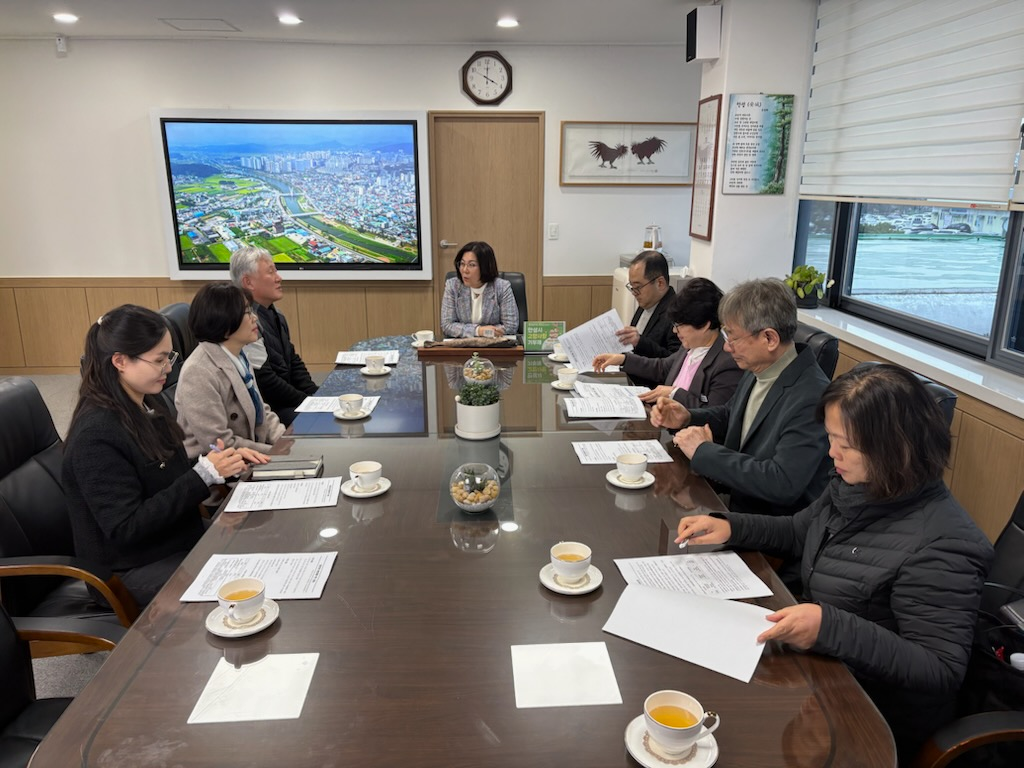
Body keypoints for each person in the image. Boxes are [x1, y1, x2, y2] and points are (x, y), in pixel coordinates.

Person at [674, 364, 995, 762]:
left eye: (845, 444)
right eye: (830, 438)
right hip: (819, 669)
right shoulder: (858, 484)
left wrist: (830, 627)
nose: (831, 453)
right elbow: (800, 530)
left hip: (869, 710)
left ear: (896, 447)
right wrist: (729, 526)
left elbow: (939, 668)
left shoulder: (945, 543)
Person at [62, 305, 256, 607]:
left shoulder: (147, 402)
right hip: (128, 570)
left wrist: (220, 463)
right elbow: (126, 528)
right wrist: (202, 475)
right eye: (159, 359)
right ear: (120, 361)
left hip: (172, 539)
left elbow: (166, 472)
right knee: (238, 588)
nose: (169, 368)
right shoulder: (95, 435)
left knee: (254, 549)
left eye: (170, 357)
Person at [651, 278, 831, 517]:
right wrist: (687, 417)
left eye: (732, 338)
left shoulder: (812, 396)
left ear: (769, 339)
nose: (727, 348)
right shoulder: (760, 367)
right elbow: (731, 414)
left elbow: (782, 482)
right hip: (734, 502)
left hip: (770, 527)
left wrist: (704, 451)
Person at [592, 277, 741, 409]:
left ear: (705, 325)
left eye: (680, 325)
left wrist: (674, 393)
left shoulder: (726, 362)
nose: (676, 331)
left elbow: (714, 414)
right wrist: (622, 359)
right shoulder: (690, 346)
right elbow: (662, 367)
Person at [176, 282, 285, 458]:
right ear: (223, 322)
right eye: (247, 312)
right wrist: (277, 452)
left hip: (252, 454)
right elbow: (219, 444)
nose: (254, 318)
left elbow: (260, 408)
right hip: (221, 470)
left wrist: (285, 439)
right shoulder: (198, 372)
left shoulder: (238, 355)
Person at [230, 246, 318, 427]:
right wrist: (308, 402)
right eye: (271, 272)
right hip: (269, 412)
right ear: (249, 282)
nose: (279, 278)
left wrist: (316, 395)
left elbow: (292, 361)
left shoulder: (275, 314)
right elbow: (266, 383)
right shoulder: (244, 325)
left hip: (286, 402)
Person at [614, 251, 681, 385]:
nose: (634, 293)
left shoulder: (677, 312)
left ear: (660, 283)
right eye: (631, 287)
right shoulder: (646, 302)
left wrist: (640, 342)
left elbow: (675, 363)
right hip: (631, 380)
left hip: (653, 390)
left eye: (638, 287)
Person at [441, 241, 519, 338]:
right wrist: (478, 331)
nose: (465, 270)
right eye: (462, 264)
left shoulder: (502, 287)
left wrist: (484, 332)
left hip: (494, 347)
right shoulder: (453, 286)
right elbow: (447, 325)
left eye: (472, 265)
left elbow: (511, 326)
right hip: (462, 346)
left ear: (485, 267)